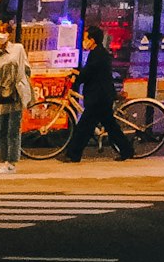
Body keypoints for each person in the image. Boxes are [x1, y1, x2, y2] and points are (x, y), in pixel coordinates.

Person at [58, 24, 136, 162]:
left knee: (84, 127)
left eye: (86, 38)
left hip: (98, 97)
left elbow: (89, 73)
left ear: (92, 40)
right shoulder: (98, 53)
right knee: (110, 126)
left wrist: (77, 76)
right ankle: (127, 150)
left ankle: (73, 154)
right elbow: (91, 72)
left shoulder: (98, 54)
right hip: (102, 96)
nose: (84, 41)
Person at [0, 33, 34, 172]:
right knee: (2, 128)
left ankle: (11, 162)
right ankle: (2, 160)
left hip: (16, 92)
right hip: (1, 94)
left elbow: (26, 69)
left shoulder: (18, 49)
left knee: (13, 129)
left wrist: (22, 85)